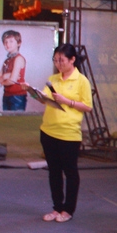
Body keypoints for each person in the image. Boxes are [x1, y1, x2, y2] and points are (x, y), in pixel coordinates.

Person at [28, 44, 93, 223]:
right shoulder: (53, 79)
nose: (58, 64)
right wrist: (33, 93)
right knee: (54, 171)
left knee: (70, 172)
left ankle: (68, 209)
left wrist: (67, 101)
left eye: (62, 60)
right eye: (55, 60)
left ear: (72, 60)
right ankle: (57, 207)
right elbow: (45, 100)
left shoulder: (82, 81)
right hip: (48, 130)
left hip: (69, 133)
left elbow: (87, 106)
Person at [0, 30, 27, 111]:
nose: (7, 44)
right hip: (7, 95)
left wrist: (3, 82)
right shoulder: (7, 61)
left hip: (17, 96)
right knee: (6, 118)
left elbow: (12, 81)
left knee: (16, 118)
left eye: (11, 41)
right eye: (5, 42)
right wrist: (5, 76)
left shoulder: (18, 58)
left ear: (19, 43)